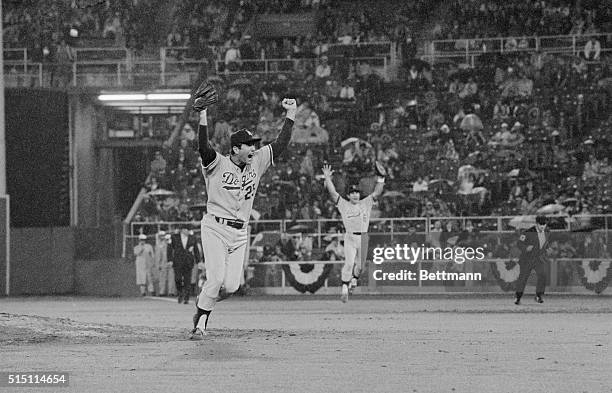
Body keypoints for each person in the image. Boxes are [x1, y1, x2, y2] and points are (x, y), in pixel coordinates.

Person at [190, 81, 297, 339]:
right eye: (249, 144)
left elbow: (280, 144)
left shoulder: (257, 161)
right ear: (236, 149)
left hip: (240, 234)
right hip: (215, 227)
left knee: (232, 285)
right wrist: (202, 114)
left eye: (254, 144)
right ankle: (200, 323)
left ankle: (203, 303)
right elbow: (203, 147)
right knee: (215, 280)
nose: (254, 147)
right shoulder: (217, 164)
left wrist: (291, 115)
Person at [322, 164, 384, 303]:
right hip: (350, 236)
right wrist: (327, 178)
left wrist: (381, 178)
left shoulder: (366, 203)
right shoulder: (344, 204)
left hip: (363, 237)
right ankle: (344, 288)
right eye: (353, 193)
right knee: (349, 263)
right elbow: (333, 193)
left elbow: (377, 192)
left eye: (357, 192)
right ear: (349, 195)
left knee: (360, 266)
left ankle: (354, 280)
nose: (355, 195)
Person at [514, 215, 550, 305]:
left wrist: (547, 249)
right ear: (536, 224)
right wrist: (526, 248)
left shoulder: (547, 231)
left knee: (542, 275)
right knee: (523, 278)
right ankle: (518, 297)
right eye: (541, 224)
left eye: (544, 224)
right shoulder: (527, 232)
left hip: (538, 258)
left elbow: (545, 243)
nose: (543, 226)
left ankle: (538, 295)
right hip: (527, 259)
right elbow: (519, 243)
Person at [168, 225, 200, 304]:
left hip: (188, 262)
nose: (188, 232)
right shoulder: (174, 237)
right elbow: (169, 249)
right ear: (182, 230)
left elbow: (196, 250)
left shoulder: (192, 238)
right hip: (177, 261)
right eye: (187, 230)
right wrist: (170, 260)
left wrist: (198, 261)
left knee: (187, 280)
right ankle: (180, 293)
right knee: (177, 279)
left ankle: (186, 297)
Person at [156, 232, 175, 297]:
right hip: (163, 263)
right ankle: (162, 291)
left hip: (171, 263)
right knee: (162, 278)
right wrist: (158, 264)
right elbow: (158, 256)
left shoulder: (173, 245)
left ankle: (171, 291)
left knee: (171, 278)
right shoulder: (160, 245)